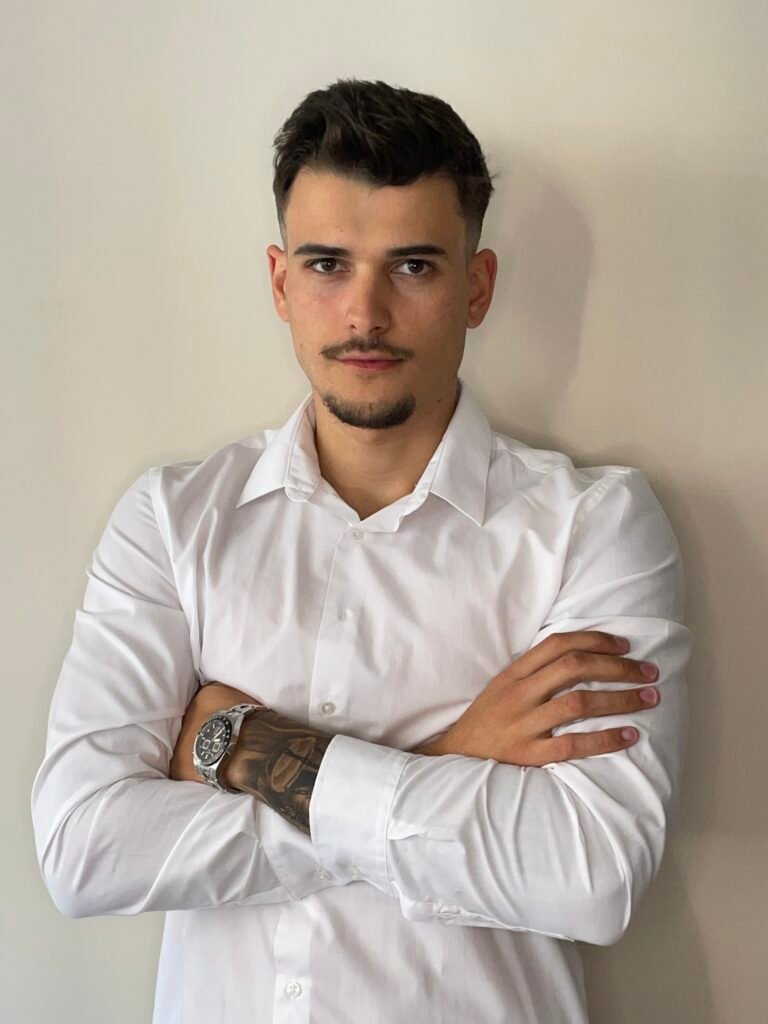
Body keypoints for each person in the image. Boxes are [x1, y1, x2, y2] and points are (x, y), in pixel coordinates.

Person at [30, 77, 690, 1024]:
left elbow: (593, 876)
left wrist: (244, 748)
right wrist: (448, 757)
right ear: (280, 282)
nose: (365, 313)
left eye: (413, 266)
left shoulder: (594, 526)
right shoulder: (172, 520)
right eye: (328, 265)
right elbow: (84, 849)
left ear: (477, 286)